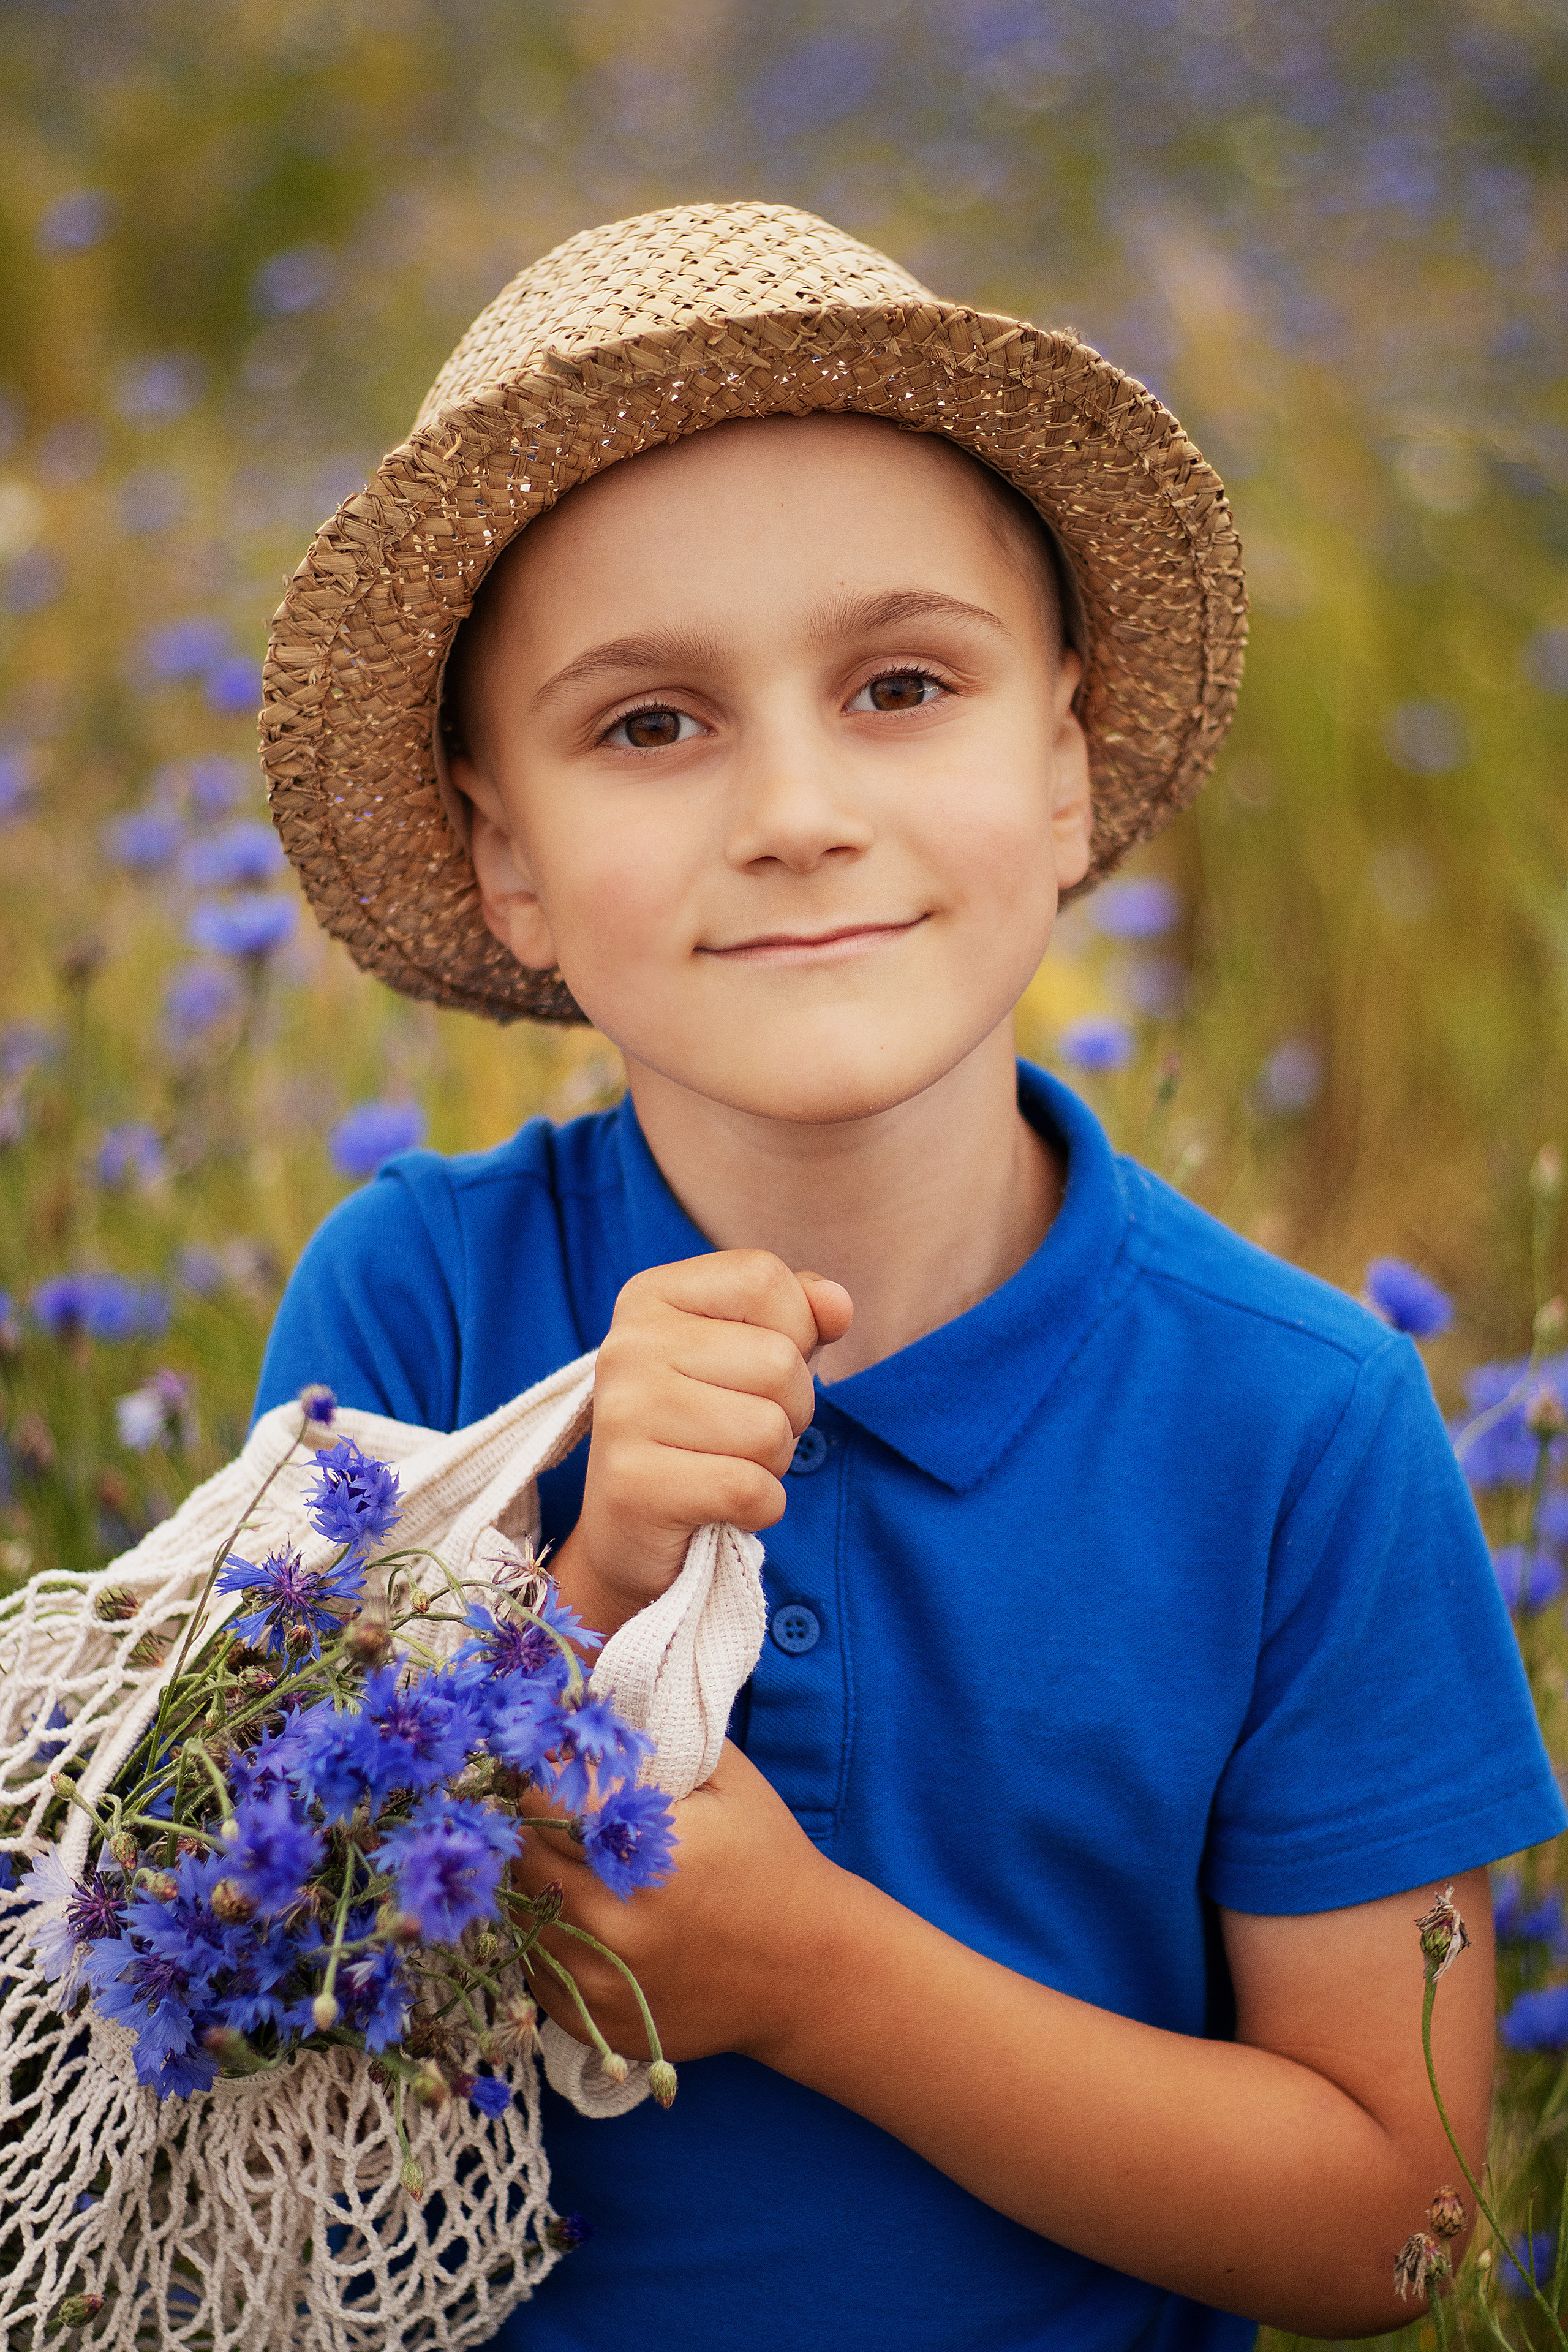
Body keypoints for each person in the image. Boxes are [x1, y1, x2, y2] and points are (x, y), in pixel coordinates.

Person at [254, 202, 1562, 2351]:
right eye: (650, 724)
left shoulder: (1304, 1426)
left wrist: (816, 1979)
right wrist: (578, 1589)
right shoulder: (414, 1310)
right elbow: (258, 1995)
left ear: (1061, 762)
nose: (796, 810)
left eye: (901, 687)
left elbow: (1394, 2232)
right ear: (505, 855)